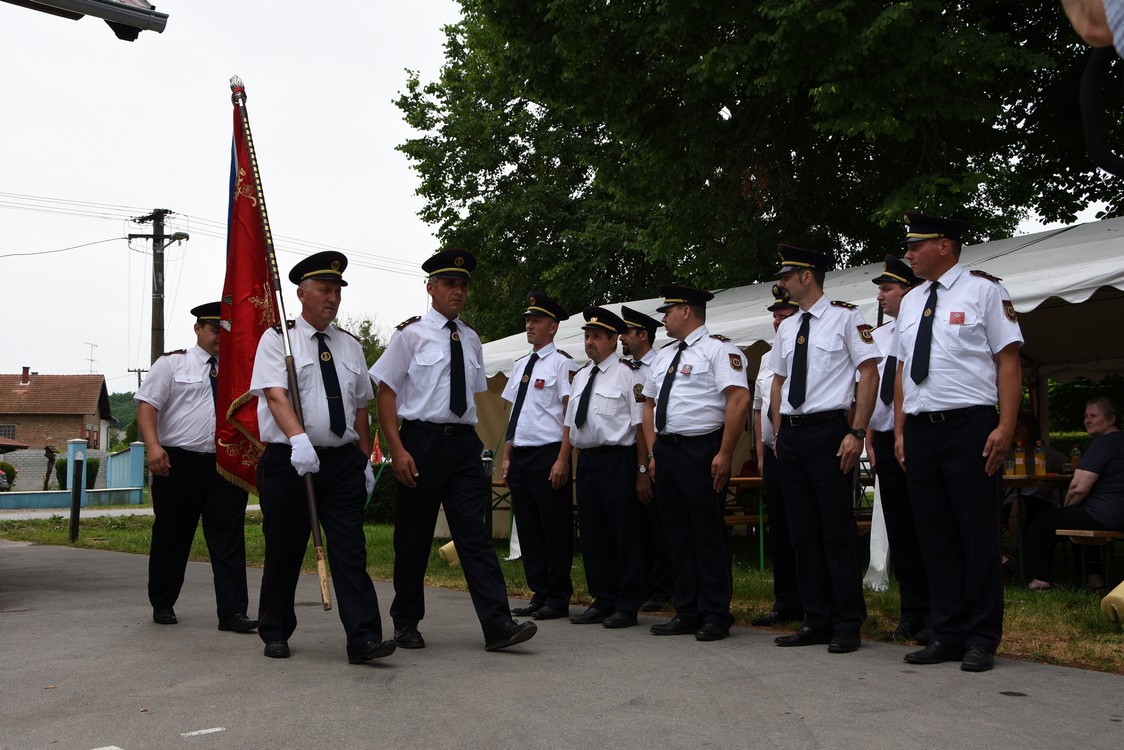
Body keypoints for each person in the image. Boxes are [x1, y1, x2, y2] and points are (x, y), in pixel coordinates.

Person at [370, 248, 537, 652]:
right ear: (431, 289)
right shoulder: (410, 335)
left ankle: (497, 624)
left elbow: (474, 396)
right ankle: (406, 621)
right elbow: (386, 393)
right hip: (420, 441)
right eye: (449, 284)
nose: (457, 291)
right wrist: (397, 448)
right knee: (413, 535)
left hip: (462, 443)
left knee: (474, 535)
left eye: (462, 285)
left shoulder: (473, 338)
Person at [249, 251, 396, 664]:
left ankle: (364, 639)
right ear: (301, 293)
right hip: (290, 460)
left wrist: (365, 460)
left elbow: (362, 407)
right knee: (285, 548)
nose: (332, 298)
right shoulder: (278, 338)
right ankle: (275, 629)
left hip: (342, 463)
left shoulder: (350, 345)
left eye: (337, 292)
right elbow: (276, 395)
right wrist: (297, 439)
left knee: (351, 549)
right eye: (324, 290)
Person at [892, 212, 1023, 673]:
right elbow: (904, 370)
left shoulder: (985, 291)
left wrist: (1005, 427)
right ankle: (946, 630)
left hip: (969, 425)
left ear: (944, 246)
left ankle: (981, 636)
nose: (908, 254)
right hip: (922, 428)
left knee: (976, 531)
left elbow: (1008, 362)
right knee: (934, 533)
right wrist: (902, 430)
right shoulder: (909, 303)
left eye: (915, 246)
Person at [768, 245, 879, 654]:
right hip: (794, 434)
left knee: (835, 530)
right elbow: (779, 380)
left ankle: (848, 620)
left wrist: (857, 431)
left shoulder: (846, 318)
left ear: (807, 276)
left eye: (786, 275)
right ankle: (816, 618)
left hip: (828, 430)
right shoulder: (787, 327)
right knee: (803, 532)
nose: (781, 283)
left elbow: (869, 373)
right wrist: (779, 430)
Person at [135, 302, 255, 632]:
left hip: (225, 466)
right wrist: (153, 446)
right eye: (216, 330)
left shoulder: (239, 370)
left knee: (229, 539)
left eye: (226, 331)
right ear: (198, 329)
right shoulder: (173, 363)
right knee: (172, 535)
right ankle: (163, 602)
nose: (221, 337)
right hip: (178, 463)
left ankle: (232, 612)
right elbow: (148, 407)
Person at [641, 284, 749, 642]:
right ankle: (687, 609)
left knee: (707, 533)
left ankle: (716, 613)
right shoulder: (663, 355)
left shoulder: (719, 350)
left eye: (668, 311)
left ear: (687, 311)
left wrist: (725, 453)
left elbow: (737, 399)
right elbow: (649, 406)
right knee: (677, 534)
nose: (665, 317)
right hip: (669, 451)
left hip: (702, 448)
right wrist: (654, 452)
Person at [563, 306, 646, 628]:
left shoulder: (629, 374)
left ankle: (627, 603)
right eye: (587, 336)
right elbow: (572, 425)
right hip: (587, 461)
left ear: (614, 339)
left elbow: (639, 427)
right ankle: (602, 598)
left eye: (597, 336)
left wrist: (641, 470)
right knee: (594, 533)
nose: (590, 342)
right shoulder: (582, 375)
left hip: (617, 460)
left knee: (623, 532)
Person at [501, 291, 580, 621]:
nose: (529, 325)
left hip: (548, 454)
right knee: (530, 527)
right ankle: (539, 591)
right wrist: (507, 455)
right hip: (520, 455)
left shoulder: (562, 364)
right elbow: (513, 415)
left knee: (553, 527)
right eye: (528, 320)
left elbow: (569, 415)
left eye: (536, 321)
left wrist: (563, 459)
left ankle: (558, 595)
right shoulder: (521, 365)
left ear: (554, 327)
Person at [866, 256, 931, 643]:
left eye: (887, 288)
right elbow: (875, 396)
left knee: (927, 525)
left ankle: (938, 610)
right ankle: (912, 611)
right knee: (901, 529)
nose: (881, 296)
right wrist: (871, 438)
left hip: (917, 437)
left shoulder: (921, 328)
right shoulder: (877, 337)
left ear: (908, 291)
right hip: (887, 440)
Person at [1027, 397, 1124, 590]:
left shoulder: (1103, 442)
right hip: (1117, 515)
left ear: (1111, 418)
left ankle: (1040, 580)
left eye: (1093, 415)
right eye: (1086, 416)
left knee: (1041, 522)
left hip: (1105, 514)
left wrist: (1068, 507)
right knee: (1079, 518)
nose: (1087, 420)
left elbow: (1079, 487)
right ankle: (1094, 580)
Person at [749, 285, 803, 628]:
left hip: (801, 449)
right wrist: (759, 449)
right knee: (781, 530)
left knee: (806, 528)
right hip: (772, 454)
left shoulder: (804, 350)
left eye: (784, 314)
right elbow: (758, 409)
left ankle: (815, 600)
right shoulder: (769, 359)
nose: (777, 320)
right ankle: (785, 601)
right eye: (774, 315)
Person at [620, 304, 675, 612]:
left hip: (653, 449)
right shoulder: (626, 368)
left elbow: (648, 416)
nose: (621, 338)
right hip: (629, 451)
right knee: (638, 524)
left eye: (626, 333)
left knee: (659, 523)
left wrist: (647, 461)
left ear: (643, 334)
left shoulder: (659, 365)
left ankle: (663, 588)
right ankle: (642, 584)